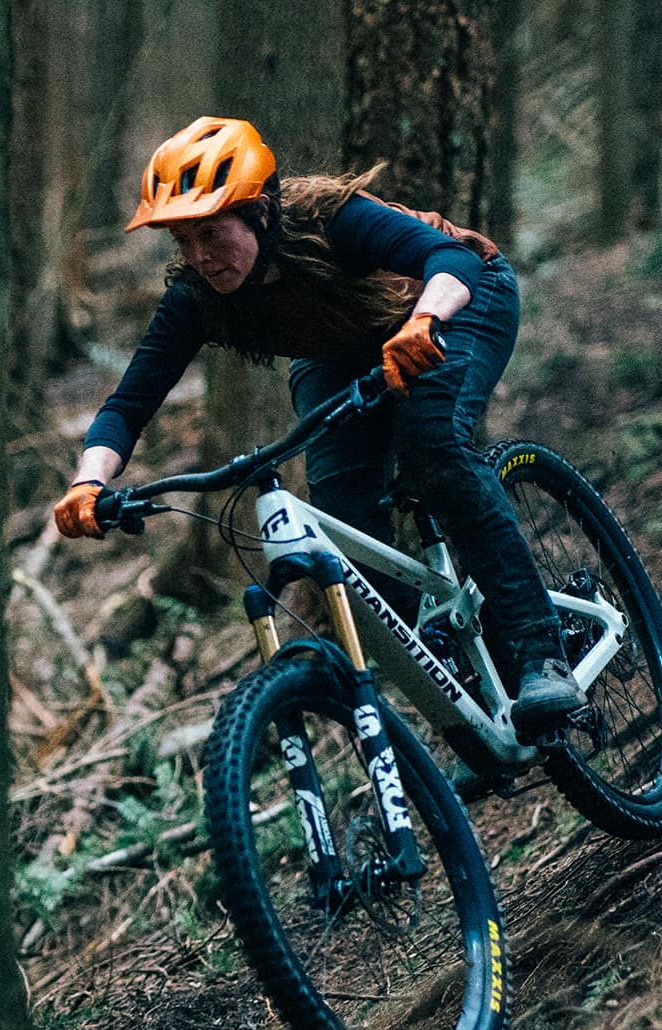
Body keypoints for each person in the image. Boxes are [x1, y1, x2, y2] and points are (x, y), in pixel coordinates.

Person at [53, 116, 586, 733]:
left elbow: (449, 256)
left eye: (211, 233)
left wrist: (426, 319)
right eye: (183, 240)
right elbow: (128, 405)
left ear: (258, 211)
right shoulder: (195, 298)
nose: (199, 256)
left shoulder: (331, 220)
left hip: (455, 297)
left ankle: (541, 648)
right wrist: (88, 482)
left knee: (433, 446)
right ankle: (466, 696)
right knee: (342, 522)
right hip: (340, 351)